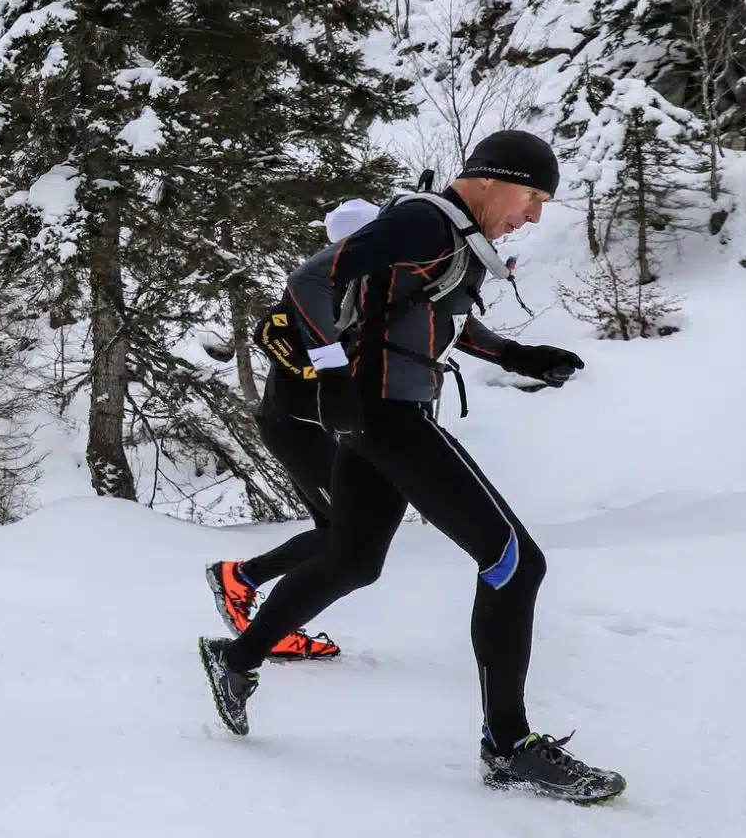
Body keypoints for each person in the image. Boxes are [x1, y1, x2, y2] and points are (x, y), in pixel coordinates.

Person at [197, 130, 620, 804]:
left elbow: (434, 321)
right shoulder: (425, 221)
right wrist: (331, 370)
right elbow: (312, 279)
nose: (534, 215)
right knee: (514, 561)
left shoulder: (450, 237)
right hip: (385, 413)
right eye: (531, 197)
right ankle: (508, 747)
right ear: (489, 178)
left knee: (354, 559)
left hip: (381, 414)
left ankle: (236, 658)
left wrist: (519, 356)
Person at [205, 198, 382, 662]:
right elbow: (271, 332)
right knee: (344, 532)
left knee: (337, 531)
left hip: (315, 427)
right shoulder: (319, 287)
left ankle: (247, 585)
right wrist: (324, 373)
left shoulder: (360, 288)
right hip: (294, 425)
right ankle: (250, 593)